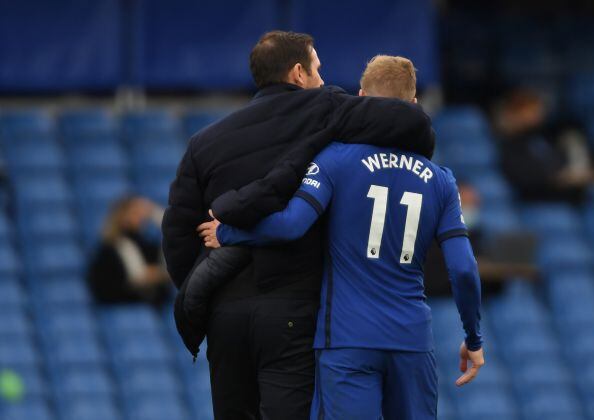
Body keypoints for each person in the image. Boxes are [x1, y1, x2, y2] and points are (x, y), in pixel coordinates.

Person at [162, 32, 436, 420]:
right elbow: (413, 123)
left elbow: (177, 236)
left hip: (225, 316)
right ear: (297, 73)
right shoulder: (324, 107)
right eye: (318, 70)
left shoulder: (204, 142)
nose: (324, 80)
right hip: (294, 311)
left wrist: (213, 294)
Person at [200, 56, 484, 420]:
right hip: (411, 341)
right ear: (413, 105)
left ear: (361, 97)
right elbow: (462, 269)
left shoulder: (335, 160)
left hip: (347, 340)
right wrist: (473, 338)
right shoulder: (441, 179)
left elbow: (290, 225)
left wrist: (230, 231)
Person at [495, 89, 593, 202]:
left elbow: (555, 160)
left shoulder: (540, 138)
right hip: (534, 200)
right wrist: (553, 178)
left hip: (561, 196)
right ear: (513, 114)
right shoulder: (508, 145)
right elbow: (520, 176)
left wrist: (568, 173)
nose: (536, 115)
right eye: (529, 110)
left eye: (536, 110)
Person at [88, 196, 170, 306]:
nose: (141, 217)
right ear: (122, 215)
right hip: (119, 303)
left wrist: (155, 214)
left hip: (149, 305)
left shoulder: (147, 245)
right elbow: (138, 277)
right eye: (135, 212)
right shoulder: (111, 247)